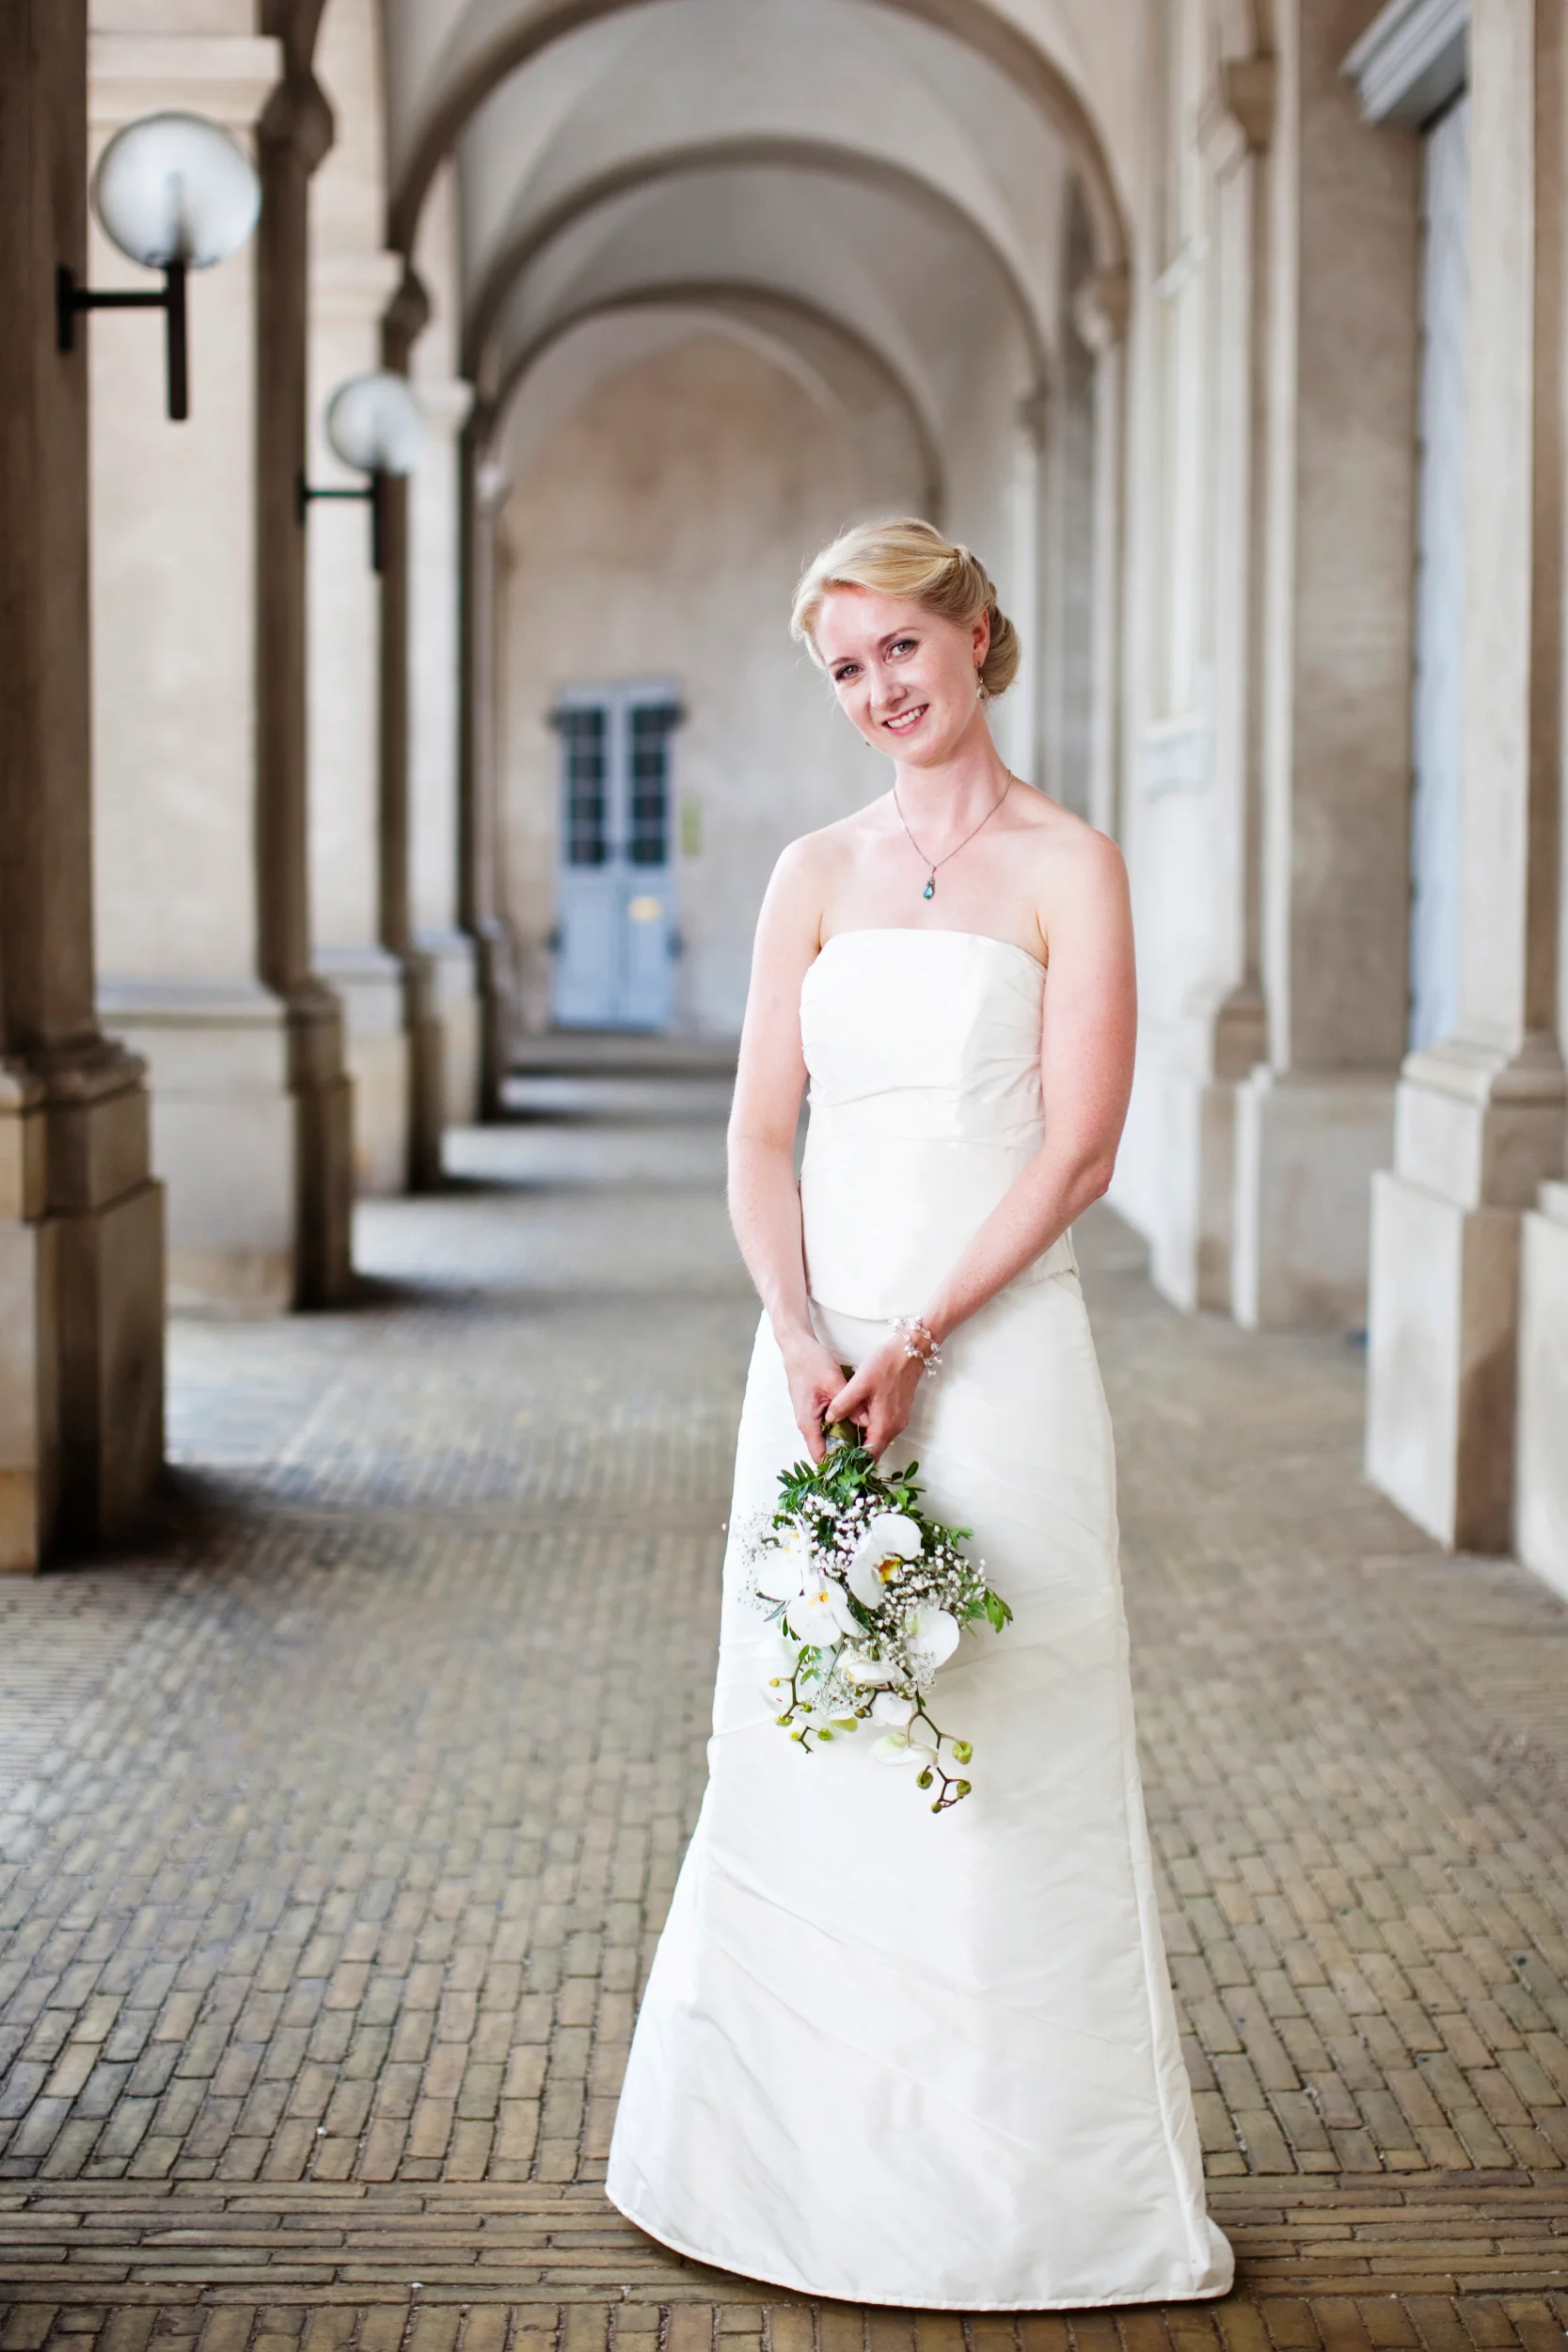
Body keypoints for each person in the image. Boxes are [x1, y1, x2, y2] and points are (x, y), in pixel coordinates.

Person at [605, 517, 1234, 2311]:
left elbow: (1079, 1150)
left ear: (972, 631)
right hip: (815, 1377)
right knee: (806, 1736)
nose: (878, 688)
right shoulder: (810, 872)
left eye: (899, 646)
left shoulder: (1070, 865)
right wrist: (800, 1333)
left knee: (1010, 1734)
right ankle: (784, 2171)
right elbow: (757, 1137)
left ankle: (1029, 2201)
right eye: (845, 666)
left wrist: (922, 1339)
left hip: (995, 1358)